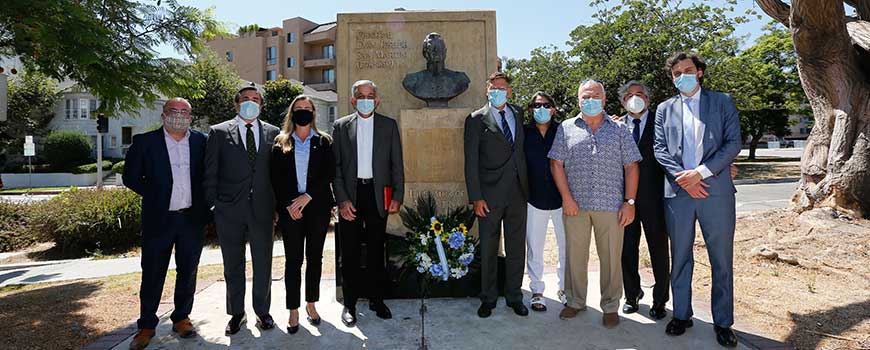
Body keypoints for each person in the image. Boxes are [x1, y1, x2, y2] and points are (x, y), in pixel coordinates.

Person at [653, 52, 741, 347]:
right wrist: (685, 179)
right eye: (676, 73)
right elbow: (660, 149)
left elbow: (733, 143)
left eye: (687, 70)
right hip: (679, 194)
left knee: (721, 260)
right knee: (679, 257)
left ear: (700, 72)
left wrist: (701, 174)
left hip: (715, 192)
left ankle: (723, 322)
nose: (681, 76)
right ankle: (681, 314)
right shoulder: (665, 109)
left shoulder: (722, 101)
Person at [549, 79, 641, 328]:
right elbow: (556, 164)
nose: (590, 100)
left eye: (595, 96)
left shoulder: (620, 129)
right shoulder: (567, 128)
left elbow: (631, 165)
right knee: (575, 257)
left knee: (611, 258)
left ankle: (610, 305)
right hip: (575, 206)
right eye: (585, 97)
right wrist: (566, 198)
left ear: (604, 98)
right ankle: (575, 301)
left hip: (611, 206)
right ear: (578, 100)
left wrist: (629, 202)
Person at [123, 98, 209, 350]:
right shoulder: (145, 142)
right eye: (174, 111)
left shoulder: (201, 142)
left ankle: (181, 317)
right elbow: (130, 177)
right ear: (163, 115)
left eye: (185, 112)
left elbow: (208, 175)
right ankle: (147, 325)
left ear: (191, 117)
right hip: (158, 219)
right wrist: (156, 194)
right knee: (152, 272)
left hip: (192, 220)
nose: (179, 116)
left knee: (188, 271)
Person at [204, 83, 280, 335]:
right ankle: (237, 313)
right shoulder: (218, 131)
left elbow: (277, 175)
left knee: (263, 262)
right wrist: (213, 205)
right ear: (236, 105)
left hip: (263, 208)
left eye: (255, 99)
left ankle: (262, 311)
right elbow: (210, 172)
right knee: (232, 263)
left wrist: (277, 206)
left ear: (261, 105)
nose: (251, 102)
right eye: (246, 98)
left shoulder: (273, 132)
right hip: (229, 210)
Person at [332, 79, 405, 327]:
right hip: (351, 197)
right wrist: (341, 200)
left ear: (377, 99)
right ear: (353, 100)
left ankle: (377, 300)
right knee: (350, 253)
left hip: (378, 195)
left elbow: (397, 165)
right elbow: (337, 168)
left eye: (370, 95)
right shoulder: (340, 127)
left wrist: (397, 196)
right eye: (361, 96)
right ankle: (349, 304)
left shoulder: (388, 126)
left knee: (376, 250)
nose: (366, 100)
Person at [464, 71, 529, 318]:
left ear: (510, 91)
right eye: (493, 88)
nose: (497, 92)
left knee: (516, 249)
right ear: (487, 90)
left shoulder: (518, 113)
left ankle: (514, 296)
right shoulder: (475, 119)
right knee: (489, 250)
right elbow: (470, 162)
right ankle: (488, 298)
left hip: (517, 193)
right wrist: (476, 197)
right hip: (488, 196)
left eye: (502, 88)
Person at [270, 95, 335, 334]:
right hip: (291, 212)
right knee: (293, 261)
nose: (303, 112)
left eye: (307, 108)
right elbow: (276, 178)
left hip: (317, 209)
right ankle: (293, 310)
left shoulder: (324, 141)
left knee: (315, 259)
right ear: (292, 113)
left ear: (314, 113)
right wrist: (289, 204)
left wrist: (308, 196)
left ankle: (311, 304)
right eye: (299, 109)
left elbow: (329, 174)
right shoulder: (281, 142)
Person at [612, 81, 671, 320]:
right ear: (622, 101)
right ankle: (632, 295)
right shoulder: (614, 126)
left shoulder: (662, 122)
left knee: (658, 249)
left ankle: (660, 300)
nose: (634, 98)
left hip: (655, 198)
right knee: (626, 250)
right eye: (629, 95)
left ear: (648, 99)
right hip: (624, 200)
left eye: (639, 94)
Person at [523, 91, 567, 312]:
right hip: (533, 197)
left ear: (554, 108)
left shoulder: (564, 130)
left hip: (563, 198)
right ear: (531, 109)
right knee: (535, 247)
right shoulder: (523, 132)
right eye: (537, 105)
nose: (542, 109)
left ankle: (565, 288)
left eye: (546, 105)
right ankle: (537, 290)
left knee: (566, 247)